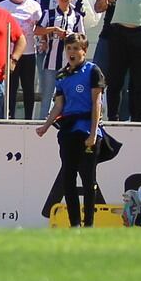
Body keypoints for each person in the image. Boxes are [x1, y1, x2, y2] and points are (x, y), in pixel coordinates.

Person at [36, 34, 105, 228]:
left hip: (87, 130)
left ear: (84, 51)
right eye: (69, 48)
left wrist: (93, 133)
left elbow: (96, 102)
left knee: (88, 179)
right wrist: (46, 126)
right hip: (68, 131)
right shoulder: (61, 75)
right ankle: (75, 225)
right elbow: (58, 105)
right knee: (68, 177)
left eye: (76, 48)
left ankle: (89, 224)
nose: (72, 53)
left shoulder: (93, 71)